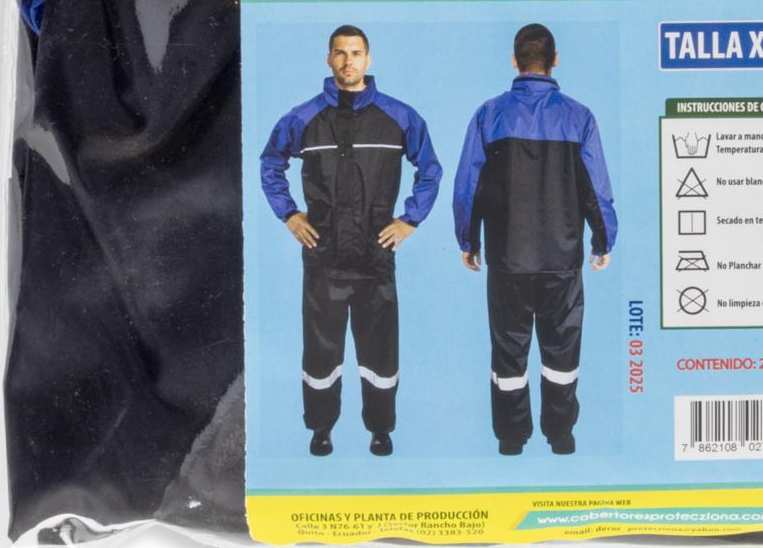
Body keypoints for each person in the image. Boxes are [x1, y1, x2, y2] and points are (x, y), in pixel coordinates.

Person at [261, 25, 441, 457]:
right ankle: (320, 428)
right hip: (323, 257)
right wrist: (289, 214)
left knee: (380, 352)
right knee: (321, 353)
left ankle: (381, 429)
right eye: (340, 53)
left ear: (368, 59)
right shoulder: (303, 118)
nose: (348, 61)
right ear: (328, 59)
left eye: (356, 52)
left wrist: (409, 221)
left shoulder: (399, 117)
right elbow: (270, 162)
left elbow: (430, 169)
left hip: (376, 257)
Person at [451, 24, 617, 455]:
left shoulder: (489, 115)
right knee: (562, 351)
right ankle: (561, 435)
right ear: (555, 60)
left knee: (509, 352)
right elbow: (596, 187)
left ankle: (511, 439)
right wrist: (603, 240)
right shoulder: (579, 117)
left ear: (514, 61)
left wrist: (468, 240)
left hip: (508, 259)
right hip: (562, 260)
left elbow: (468, 185)